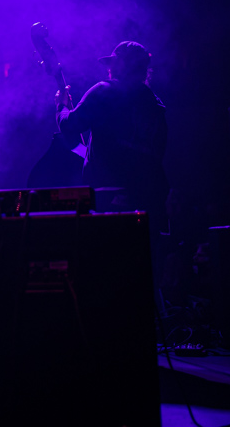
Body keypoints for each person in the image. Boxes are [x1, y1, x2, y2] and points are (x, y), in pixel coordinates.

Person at [56, 41, 169, 294]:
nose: (109, 69)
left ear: (120, 66)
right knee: (143, 278)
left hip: (111, 199)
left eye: (114, 63)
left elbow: (70, 125)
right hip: (150, 199)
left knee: (109, 275)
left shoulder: (104, 91)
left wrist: (61, 107)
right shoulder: (154, 103)